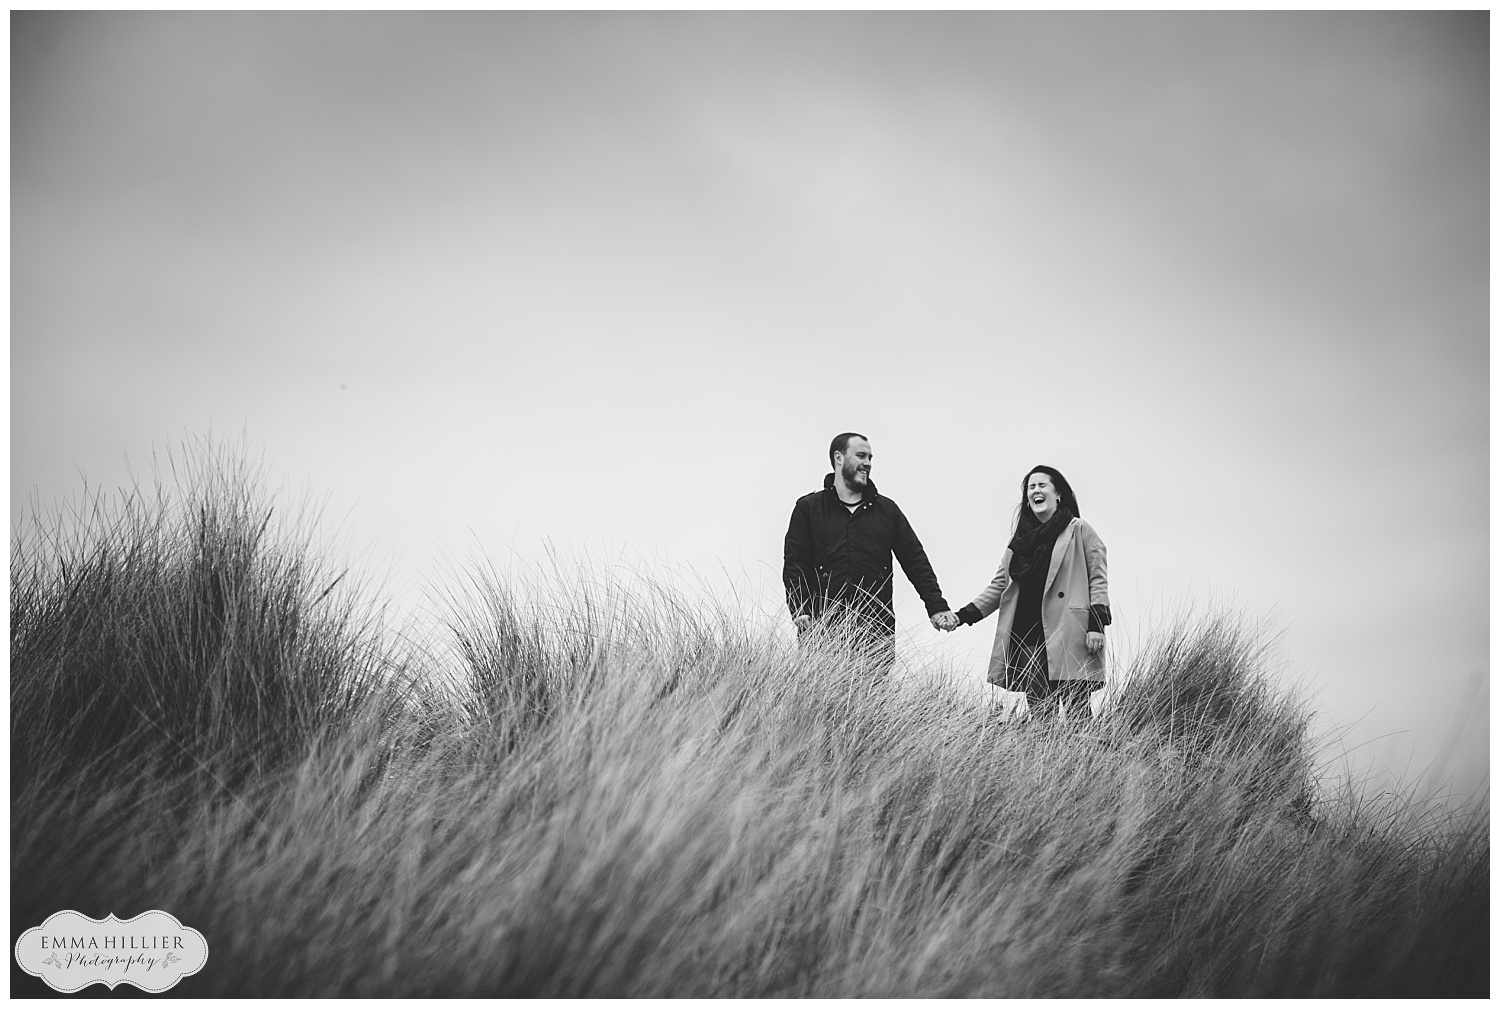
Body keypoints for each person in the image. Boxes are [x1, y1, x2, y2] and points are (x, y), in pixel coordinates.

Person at [783, 432, 959, 671]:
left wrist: (936, 606)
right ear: (838, 458)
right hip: (820, 628)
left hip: (876, 632)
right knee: (821, 706)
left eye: (870, 458)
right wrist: (800, 609)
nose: (867, 463)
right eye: (861, 455)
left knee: (874, 704)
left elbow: (915, 560)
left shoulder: (887, 511)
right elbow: (795, 564)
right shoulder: (808, 508)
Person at [953, 465, 1111, 719]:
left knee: (1077, 714)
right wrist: (963, 616)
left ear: (1058, 493)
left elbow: (1098, 578)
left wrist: (1097, 624)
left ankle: (1085, 760)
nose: (1035, 490)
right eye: (1030, 487)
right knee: (1040, 716)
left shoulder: (1079, 529)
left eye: (1042, 485)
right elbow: (998, 586)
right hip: (1029, 638)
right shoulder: (1018, 544)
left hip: (1070, 634)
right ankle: (1043, 760)